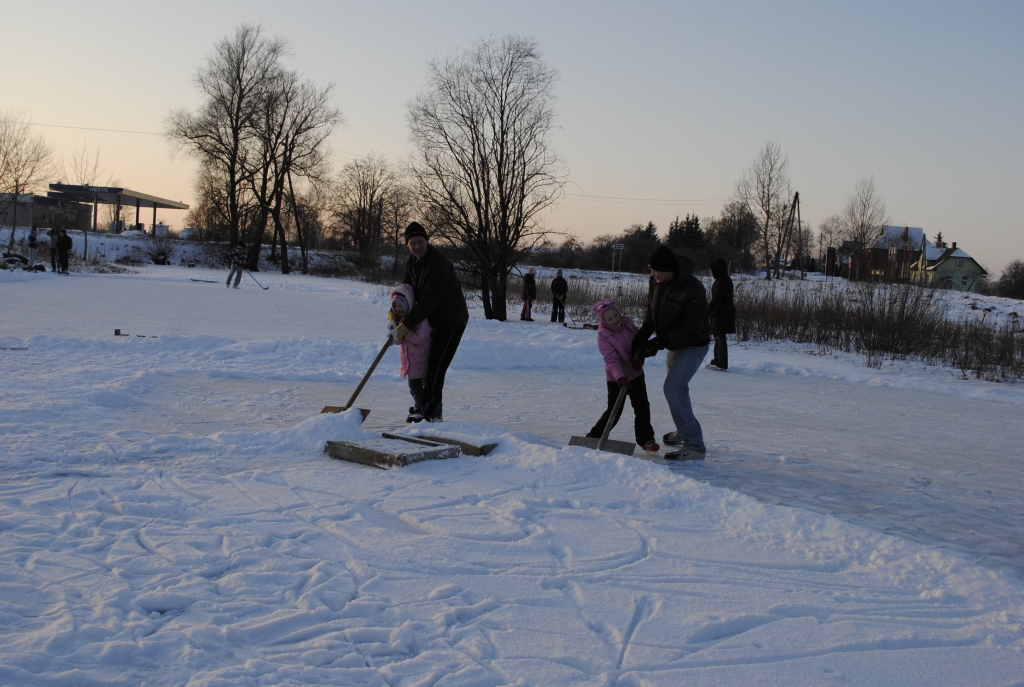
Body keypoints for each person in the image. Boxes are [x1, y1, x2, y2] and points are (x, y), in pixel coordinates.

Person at [633, 245, 711, 460]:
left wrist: (660, 341)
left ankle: (694, 445)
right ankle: (685, 429)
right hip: (674, 343)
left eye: (655, 270)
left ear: (669, 269)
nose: (652, 274)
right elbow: (652, 309)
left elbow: (691, 328)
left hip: (694, 344)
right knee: (678, 389)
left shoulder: (693, 289)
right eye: (650, 270)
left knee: (673, 388)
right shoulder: (657, 281)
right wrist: (645, 332)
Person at [398, 221, 469, 422]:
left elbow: (427, 302)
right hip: (431, 322)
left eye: (421, 241)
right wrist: (394, 315)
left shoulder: (438, 265)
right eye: (413, 243)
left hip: (451, 321)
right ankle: (425, 407)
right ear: (408, 245)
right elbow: (405, 292)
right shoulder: (411, 263)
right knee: (426, 365)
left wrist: (405, 326)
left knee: (436, 366)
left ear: (427, 241)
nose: (417, 246)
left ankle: (429, 412)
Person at [586, 299, 659, 454]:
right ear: (603, 321)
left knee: (642, 408)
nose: (614, 320)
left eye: (615, 315)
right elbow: (611, 359)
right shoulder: (603, 336)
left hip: (636, 374)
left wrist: (640, 358)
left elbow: (639, 344)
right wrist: (620, 377)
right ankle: (593, 437)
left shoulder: (629, 325)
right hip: (616, 378)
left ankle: (646, 439)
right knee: (614, 411)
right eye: (609, 318)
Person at [388, 284, 432, 423]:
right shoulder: (401, 319)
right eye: (395, 307)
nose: (398, 309)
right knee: (414, 388)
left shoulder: (420, 319)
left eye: (401, 306)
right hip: (409, 362)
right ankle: (418, 407)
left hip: (422, 360)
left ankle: (423, 410)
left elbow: (420, 338)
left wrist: (405, 332)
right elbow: (398, 342)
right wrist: (395, 332)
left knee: (425, 388)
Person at [707, 258, 736, 370]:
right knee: (718, 336)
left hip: (721, 313)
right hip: (722, 312)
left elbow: (716, 299)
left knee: (719, 337)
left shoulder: (721, 280)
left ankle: (721, 362)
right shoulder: (724, 279)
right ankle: (718, 359)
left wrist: (707, 311)